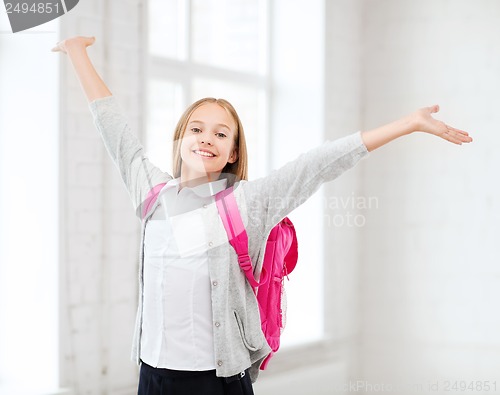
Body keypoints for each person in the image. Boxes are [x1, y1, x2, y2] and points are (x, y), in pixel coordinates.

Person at [52, 36, 472, 395]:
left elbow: (317, 163)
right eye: (196, 128)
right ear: (181, 137)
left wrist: (408, 124)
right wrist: (77, 52)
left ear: (233, 152)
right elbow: (114, 129)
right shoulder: (152, 193)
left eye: (221, 133)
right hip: (153, 374)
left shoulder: (245, 203)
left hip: (215, 380)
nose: (206, 139)